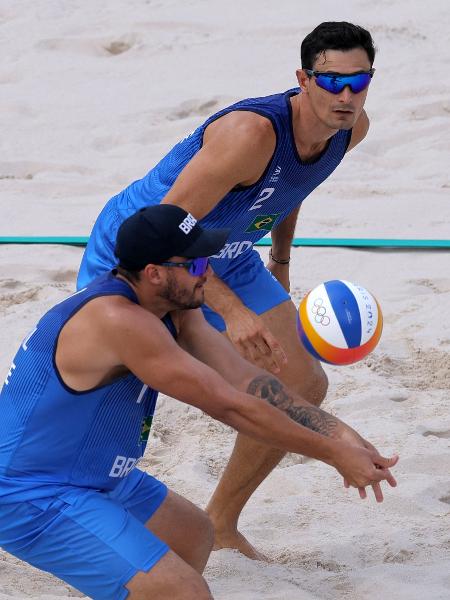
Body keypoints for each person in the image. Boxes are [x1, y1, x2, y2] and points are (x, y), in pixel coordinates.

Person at [77, 21, 378, 557]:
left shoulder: (350, 129)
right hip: (145, 248)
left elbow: (294, 188)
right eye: (333, 82)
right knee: (109, 392)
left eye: (360, 81)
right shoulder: (250, 134)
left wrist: (281, 262)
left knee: (304, 384)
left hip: (229, 249)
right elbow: (169, 231)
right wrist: (233, 311)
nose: (347, 95)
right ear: (303, 80)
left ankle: (221, 524)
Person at [0, 205, 397, 599]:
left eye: (207, 259)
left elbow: (248, 383)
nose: (206, 272)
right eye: (194, 265)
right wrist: (333, 455)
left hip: (94, 473)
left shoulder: (173, 307)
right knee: (185, 592)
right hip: (31, 492)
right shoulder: (120, 322)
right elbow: (230, 407)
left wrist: (338, 431)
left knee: (193, 535)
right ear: (154, 273)